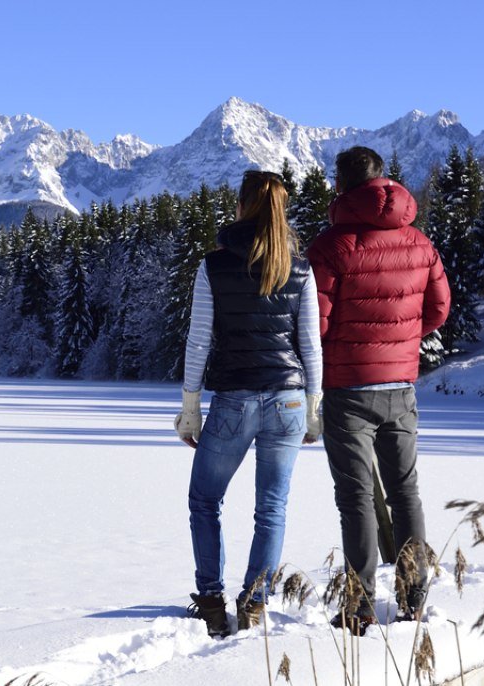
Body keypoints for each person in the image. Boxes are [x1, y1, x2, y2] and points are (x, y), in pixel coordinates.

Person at [304, 146, 450, 632]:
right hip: (401, 387)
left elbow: (316, 324)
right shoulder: (420, 242)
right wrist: (400, 340)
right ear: (384, 180)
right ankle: (415, 597)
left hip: (348, 389)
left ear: (341, 185)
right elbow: (439, 309)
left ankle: (360, 604)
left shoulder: (330, 246)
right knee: (405, 493)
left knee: (356, 498)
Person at [176, 169, 324, 638]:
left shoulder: (213, 266)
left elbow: (199, 341)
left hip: (234, 401)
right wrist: (313, 406)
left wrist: (191, 406)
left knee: (204, 499)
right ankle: (255, 603)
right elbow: (310, 345)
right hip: (288, 401)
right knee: (271, 508)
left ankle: (211, 601)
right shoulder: (300, 269)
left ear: (240, 207)